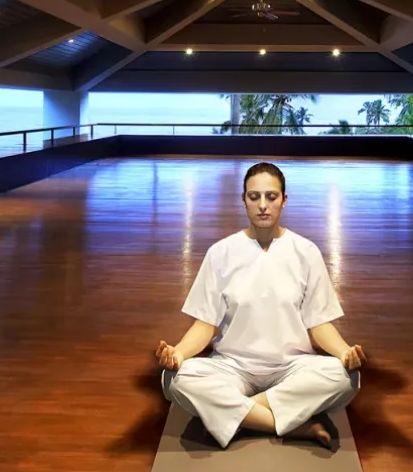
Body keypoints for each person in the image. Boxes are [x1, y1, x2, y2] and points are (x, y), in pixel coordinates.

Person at [157, 162, 367, 449]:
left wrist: (345, 353)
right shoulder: (221, 253)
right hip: (232, 366)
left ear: (284, 199)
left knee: (345, 377)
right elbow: (205, 324)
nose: (263, 205)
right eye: (254, 197)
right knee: (176, 379)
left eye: (271, 196)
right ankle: (293, 425)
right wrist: (177, 353)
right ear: (244, 200)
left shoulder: (305, 252)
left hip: (292, 366)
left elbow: (318, 323)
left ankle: (232, 416)